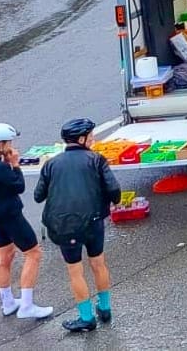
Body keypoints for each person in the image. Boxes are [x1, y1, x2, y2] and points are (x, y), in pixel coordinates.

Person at [33, 118, 120, 333]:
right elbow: (114, 191)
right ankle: (105, 308)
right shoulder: (97, 160)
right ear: (81, 139)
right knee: (98, 263)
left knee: (75, 270)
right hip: (93, 221)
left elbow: (38, 196)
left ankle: (86, 317)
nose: (93, 138)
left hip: (64, 226)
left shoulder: (51, 164)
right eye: (91, 135)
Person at [0, 123, 52, 320]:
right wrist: (15, 164)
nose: (11, 145)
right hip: (10, 216)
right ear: (0, 144)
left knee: (5, 256)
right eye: (9, 142)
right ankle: (26, 305)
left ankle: (7, 302)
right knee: (33, 254)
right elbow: (19, 186)